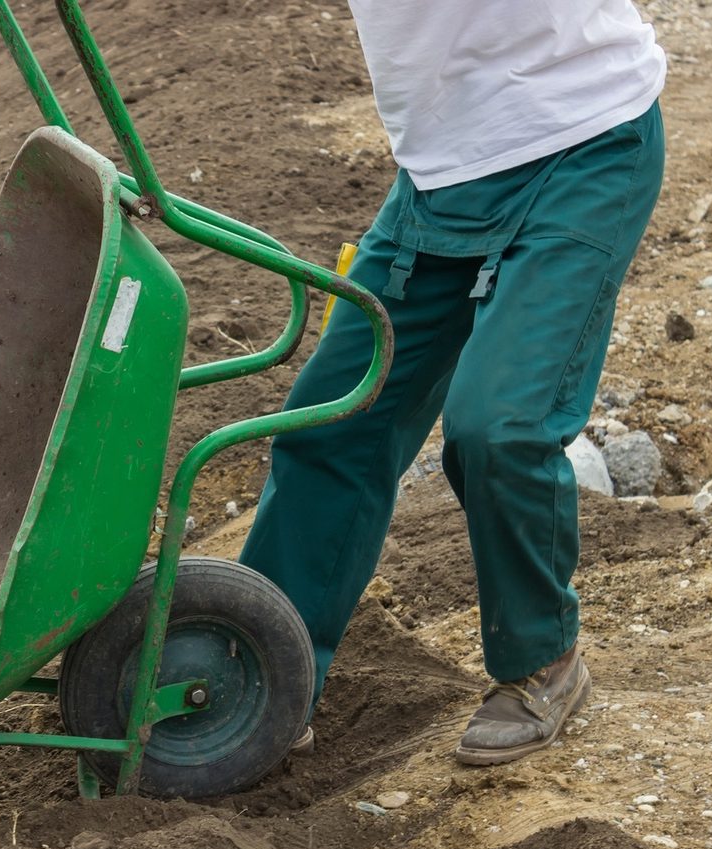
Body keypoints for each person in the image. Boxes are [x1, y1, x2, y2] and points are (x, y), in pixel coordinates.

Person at [240, 1, 666, 765]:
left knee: (499, 425)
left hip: (583, 141)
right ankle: (264, 676)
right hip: (441, 178)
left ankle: (544, 660)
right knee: (332, 423)